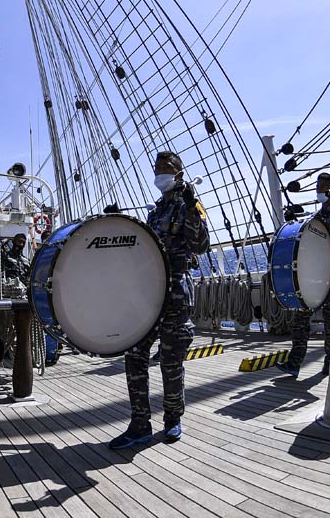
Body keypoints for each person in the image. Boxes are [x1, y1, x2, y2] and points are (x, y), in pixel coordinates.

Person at [110, 151, 209, 449]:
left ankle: (172, 420)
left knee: (171, 360)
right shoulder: (155, 213)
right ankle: (139, 424)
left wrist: (192, 206)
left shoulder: (189, 204)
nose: (160, 173)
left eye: (166, 168)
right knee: (136, 354)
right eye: (157, 168)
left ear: (179, 172)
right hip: (147, 295)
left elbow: (202, 244)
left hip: (176, 295)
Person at [277, 172, 330, 377]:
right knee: (300, 321)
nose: (320, 189)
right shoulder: (316, 219)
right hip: (313, 279)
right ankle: (294, 364)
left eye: (324, 186)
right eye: (318, 186)